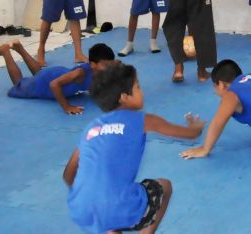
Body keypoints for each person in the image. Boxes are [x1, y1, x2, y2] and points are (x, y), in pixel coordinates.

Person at [64, 62, 205, 233]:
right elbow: (190, 135)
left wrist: (88, 195)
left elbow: (68, 174)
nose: (142, 92)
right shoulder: (143, 120)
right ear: (124, 96)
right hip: (119, 207)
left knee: (110, 214)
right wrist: (196, 127)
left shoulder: (91, 128)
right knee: (165, 186)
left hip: (81, 209)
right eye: (138, 87)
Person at [0, 41, 114, 114]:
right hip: (50, 80)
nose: (109, 68)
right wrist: (67, 107)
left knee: (38, 75)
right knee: (19, 84)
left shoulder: (99, 71)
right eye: (105, 65)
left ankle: (20, 48)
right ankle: (6, 51)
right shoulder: (81, 73)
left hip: (56, 73)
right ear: (93, 65)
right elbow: (54, 85)